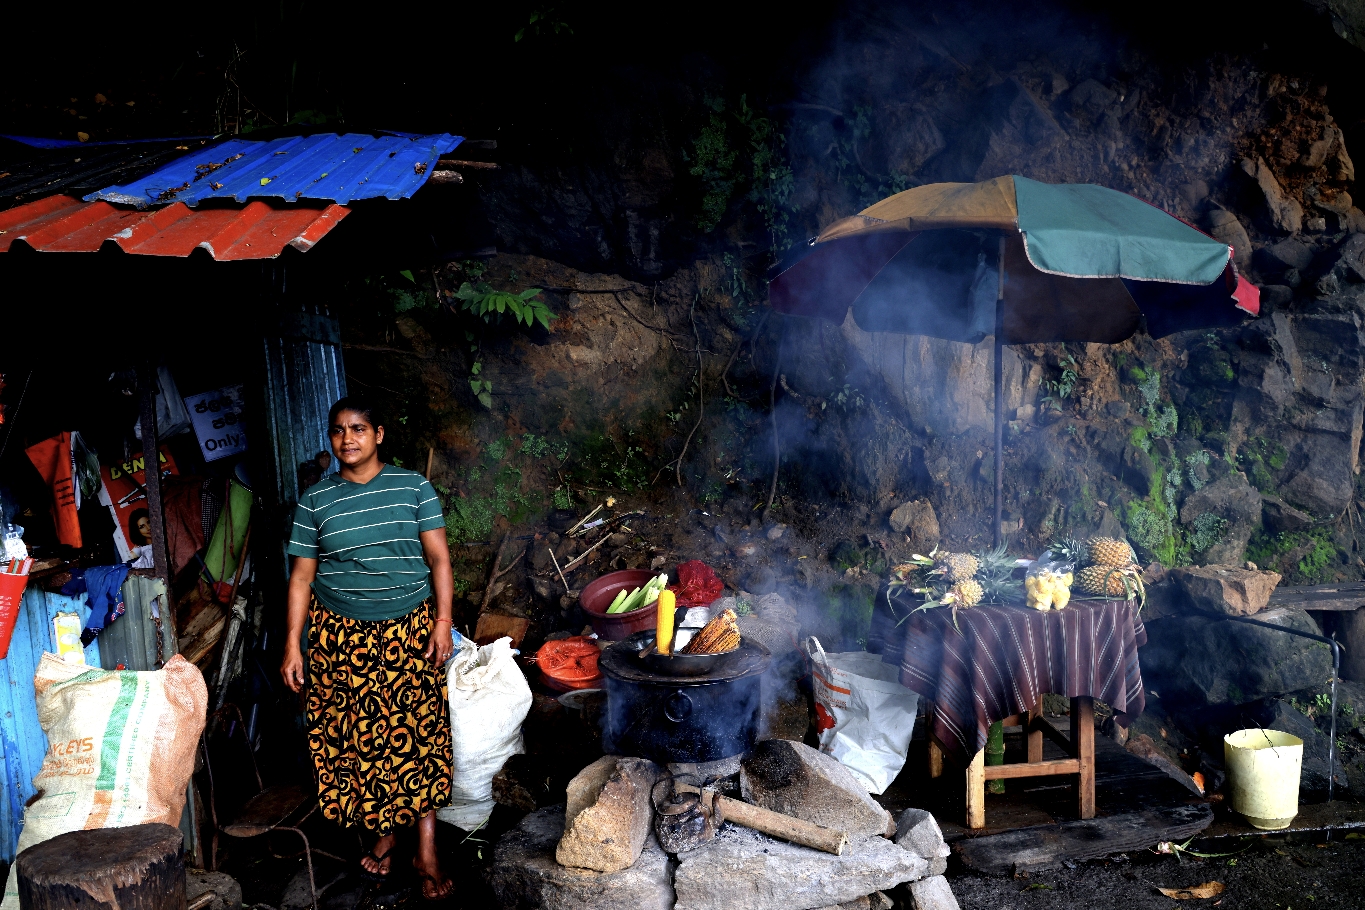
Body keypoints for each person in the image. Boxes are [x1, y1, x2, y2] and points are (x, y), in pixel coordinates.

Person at [280, 396, 456, 899]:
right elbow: (301, 579)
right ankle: (384, 833)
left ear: (379, 434)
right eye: (338, 430)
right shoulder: (315, 501)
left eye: (357, 428)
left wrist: (442, 622)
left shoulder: (413, 488)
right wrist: (293, 643)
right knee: (361, 736)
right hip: (340, 636)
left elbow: (439, 561)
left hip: (409, 630)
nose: (347, 439)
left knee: (417, 732)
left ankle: (425, 845)